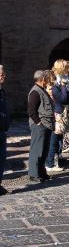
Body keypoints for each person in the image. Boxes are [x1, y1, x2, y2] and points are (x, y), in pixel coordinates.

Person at [27, 70, 55, 183]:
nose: (48, 81)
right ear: (43, 79)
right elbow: (31, 110)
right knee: (37, 150)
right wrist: (39, 123)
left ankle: (41, 173)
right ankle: (34, 174)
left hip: (46, 125)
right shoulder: (35, 92)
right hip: (40, 125)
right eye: (47, 79)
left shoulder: (42, 90)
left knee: (44, 150)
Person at [46, 60, 69, 172]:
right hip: (57, 113)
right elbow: (63, 98)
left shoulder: (55, 85)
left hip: (57, 111)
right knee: (53, 139)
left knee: (55, 139)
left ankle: (52, 162)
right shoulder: (55, 86)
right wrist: (64, 87)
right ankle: (49, 164)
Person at [0, 66, 10, 195]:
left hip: (3, 129)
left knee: (2, 159)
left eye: (3, 74)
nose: (3, 76)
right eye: (1, 74)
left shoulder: (2, 91)